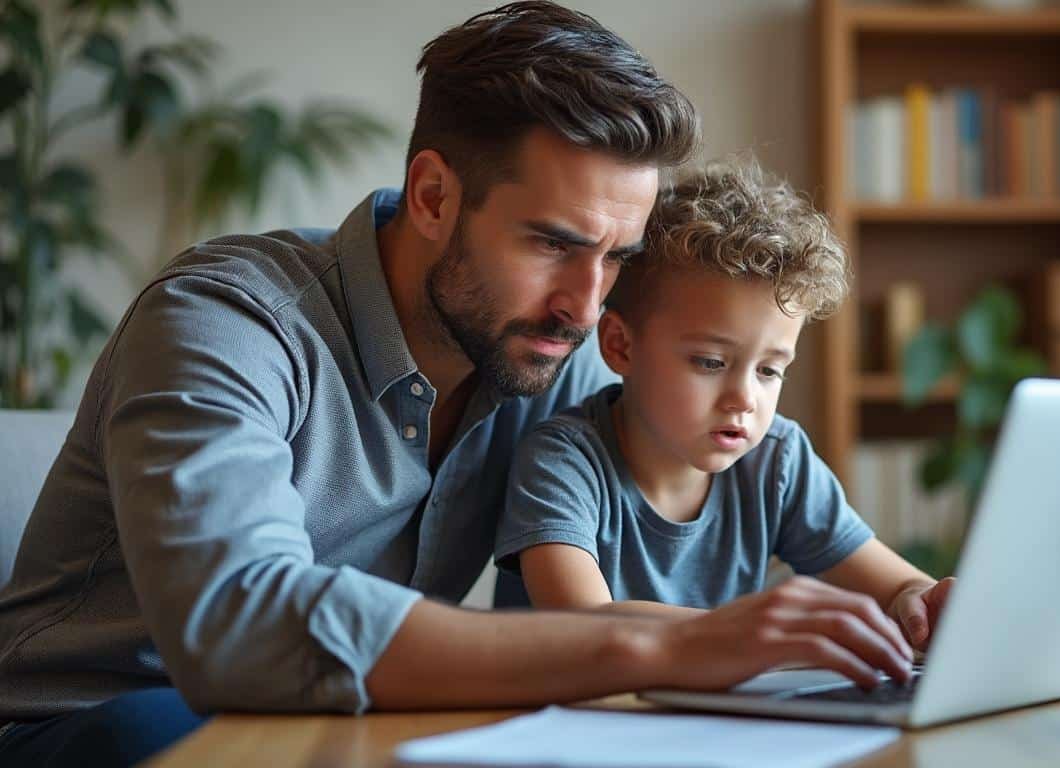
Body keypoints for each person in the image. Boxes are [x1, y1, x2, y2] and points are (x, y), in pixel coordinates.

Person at [0, 3, 914, 766]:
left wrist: (922, 606)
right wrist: (672, 639)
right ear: (434, 197)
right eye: (553, 244)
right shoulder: (226, 321)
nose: (586, 307)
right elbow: (240, 625)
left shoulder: (553, 358)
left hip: (334, 728)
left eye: (616, 261)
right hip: (98, 726)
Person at [493, 160, 955, 639]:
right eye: (711, 363)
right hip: (572, 713)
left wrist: (918, 600)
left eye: (770, 370)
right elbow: (583, 622)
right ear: (620, 346)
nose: (744, 399)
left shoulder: (776, 463)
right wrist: (762, 631)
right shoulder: (561, 463)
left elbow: (898, 584)